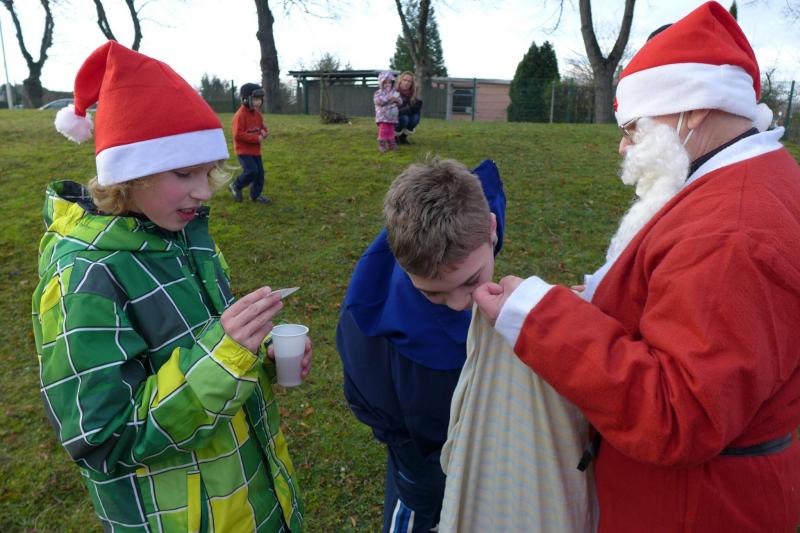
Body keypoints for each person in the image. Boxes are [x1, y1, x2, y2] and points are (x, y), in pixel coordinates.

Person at [473, 3, 800, 532]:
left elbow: (677, 414)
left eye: (633, 126)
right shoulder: (739, 184)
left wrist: (539, 318)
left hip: (693, 508)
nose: (624, 145)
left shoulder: (731, 232)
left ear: (693, 110)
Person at [34, 41, 310, 532]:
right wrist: (225, 357)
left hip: (250, 497)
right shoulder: (84, 278)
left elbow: (206, 341)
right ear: (127, 173)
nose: (204, 191)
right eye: (184, 173)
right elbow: (102, 438)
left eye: (209, 172)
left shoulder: (184, 236)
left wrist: (260, 351)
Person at [336, 158, 506, 532]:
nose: (460, 304)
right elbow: (390, 414)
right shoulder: (410, 350)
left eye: (471, 280)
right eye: (433, 293)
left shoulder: (468, 215)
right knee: (421, 497)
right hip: (419, 444)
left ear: (491, 227)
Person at [229, 83, 272, 204]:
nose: (258, 102)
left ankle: (255, 195)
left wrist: (264, 132)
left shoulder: (257, 114)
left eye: (259, 99)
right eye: (255, 99)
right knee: (251, 171)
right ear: (245, 99)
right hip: (243, 151)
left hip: (255, 151)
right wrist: (255, 138)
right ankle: (236, 185)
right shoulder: (240, 116)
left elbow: (262, 127)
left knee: (260, 175)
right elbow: (238, 135)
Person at [373, 71, 402, 152]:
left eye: (389, 82)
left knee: (391, 131)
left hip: (392, 117)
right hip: (383, 117)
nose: (387, 84)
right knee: (383, 130)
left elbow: (400, 102)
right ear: (381, 83)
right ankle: (382, 144)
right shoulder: (379, 93)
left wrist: (397, 100)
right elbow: (378, 101)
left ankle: (391, 143)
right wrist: (388, 98)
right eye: (385, 82)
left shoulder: (394, 92)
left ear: (392, 83)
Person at [394, 71, 422, 145]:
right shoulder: (394, 92)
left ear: (412, 83)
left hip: (405, 114)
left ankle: (403, 137)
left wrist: (406, 110)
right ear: (400, 80)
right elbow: (394, 111)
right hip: (394, 118)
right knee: (404, 118)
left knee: (416, 118)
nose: (406, 83)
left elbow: (416, 109)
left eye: (409, 81)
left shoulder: (415, 93)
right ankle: (394, 136)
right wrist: (408, 109)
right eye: (405, 80)